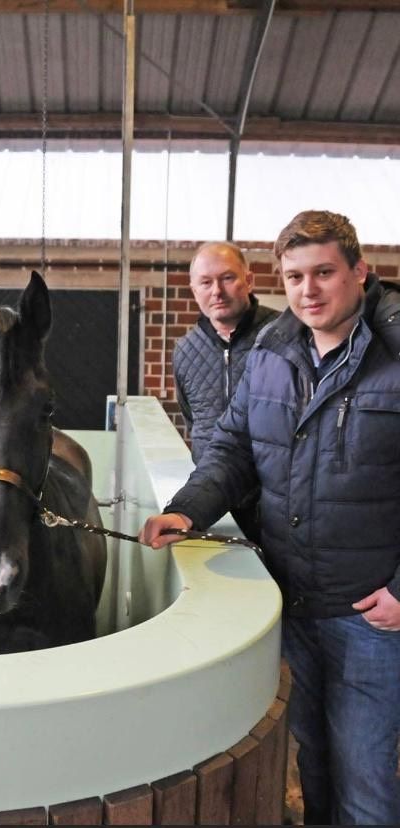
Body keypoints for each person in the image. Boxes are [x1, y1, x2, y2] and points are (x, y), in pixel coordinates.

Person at [140, 211, 400, 825]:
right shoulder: (271, 356)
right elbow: (232, 449)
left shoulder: (392, 360)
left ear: (360, 272)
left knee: (365, 772)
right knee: (313, 758)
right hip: (294, 602)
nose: (308, 290)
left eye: (324, 273)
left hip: (372, 616)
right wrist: (187, 509)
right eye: (293, 276)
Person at [174, 242, 278, 543]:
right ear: (194, 289)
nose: (216, 291)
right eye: (205, 282)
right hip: (213, 506)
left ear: (249, 280)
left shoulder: (284, 337)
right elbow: (193, 422)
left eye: (227, 278)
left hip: (274, 508)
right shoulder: (184, 351)